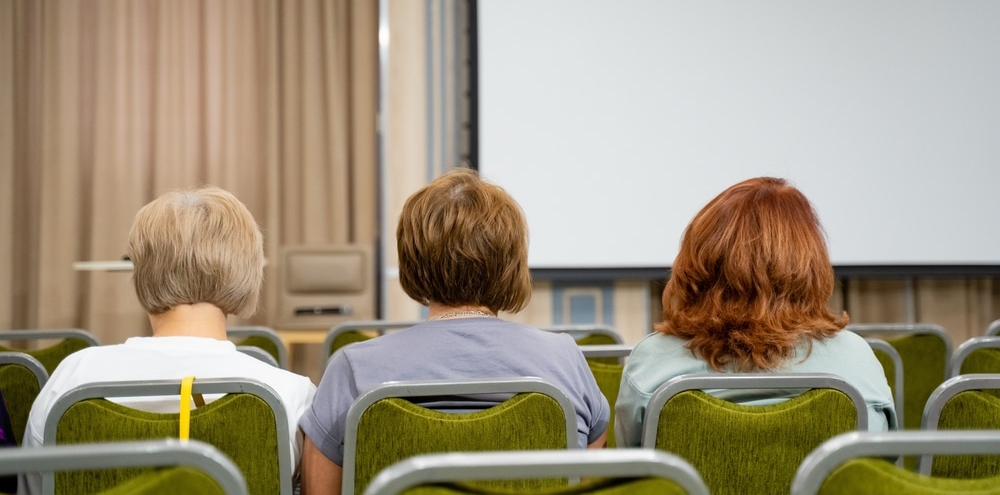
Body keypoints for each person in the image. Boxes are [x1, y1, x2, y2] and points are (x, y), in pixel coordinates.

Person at [299, 167, 609, 495]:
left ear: (412, 258)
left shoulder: (353, 368)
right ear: (513, 262)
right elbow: (588, 476)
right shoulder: (563, 359)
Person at [21, 186, 316, 493]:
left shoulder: (74, 376)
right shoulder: (290, 394)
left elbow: (36, 486)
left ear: (141, 270)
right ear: (247, 272)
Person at [615, 176, 897, 447]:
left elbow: (635, 470)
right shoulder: (856, 363)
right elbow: (877, 469)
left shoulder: (652, 363)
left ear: (698, 258)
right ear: (811, 265)